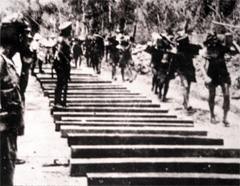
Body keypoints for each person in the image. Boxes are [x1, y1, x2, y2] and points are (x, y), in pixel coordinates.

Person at [0, 13, 31, 186]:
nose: (29, 39)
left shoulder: (8, 61)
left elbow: (17, 93)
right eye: (26, 35)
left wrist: (26, 65)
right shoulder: (1, 62)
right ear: (19, 37)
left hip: (7, 135)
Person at [201, 32, 234, 126]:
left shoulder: (222, 48)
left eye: (216, 41)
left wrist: (232, 42)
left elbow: (236, 51)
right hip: (212, 74)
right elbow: (202, 66)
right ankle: (212, 115)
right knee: (212, 95)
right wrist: (205, 77)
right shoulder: (207, 50)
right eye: (213, 41)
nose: (214, 43)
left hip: (223, 73)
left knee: (227, 94)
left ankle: (225, 118)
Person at [175, 34, 201, 112]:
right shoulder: (179, 53)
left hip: (189, 71)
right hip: (182, 71)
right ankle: (186, 104)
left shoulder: (189, 49)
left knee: (188, 88)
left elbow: (199, 48)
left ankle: (185, 102)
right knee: (186, 86)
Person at [53, 21, 72, 108]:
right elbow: (59, 52)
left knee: (65, 82)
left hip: (65, 64)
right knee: (60, 82)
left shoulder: (66, 38)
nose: (70, 30)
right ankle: (57, 102)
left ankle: (63, 101)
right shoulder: (61, 39)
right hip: (61, 64)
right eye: (69, 29)